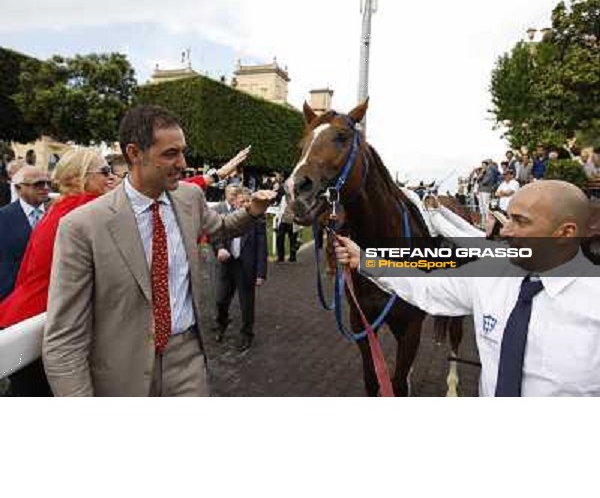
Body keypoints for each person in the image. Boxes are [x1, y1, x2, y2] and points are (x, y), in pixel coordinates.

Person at [42, 105, 275, 396]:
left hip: (187, 360)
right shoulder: (82, 226)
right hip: (120, 373)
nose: (183, 163)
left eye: (182, 151)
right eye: (170, 154)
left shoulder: (190, 197)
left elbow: (222, 227)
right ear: (134, 153)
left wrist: (253, 210)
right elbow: (64, 339)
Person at [335, 180, 600, 397]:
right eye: (507, 218)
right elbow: (426, 286)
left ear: (565, 233)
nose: (505, 231)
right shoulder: (491, 272)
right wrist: (366, 261)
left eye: (521, 221)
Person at [0, 150, 115, 396]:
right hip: (38, 325)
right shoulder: (84, 209)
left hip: (27, 318)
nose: (111, 177)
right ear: (80, 177)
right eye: (104, 172)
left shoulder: (61, 207)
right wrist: (208, 179)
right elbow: (143, 195)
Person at [213, 187, 268, 352]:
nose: (245, 204)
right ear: (235, 202)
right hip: (228, 264)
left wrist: (261, 273)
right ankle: (221, 324)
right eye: (242, 201)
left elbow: (262, 247)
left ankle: (247, 334)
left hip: (246, 267)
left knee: (247, 304)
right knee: (221, 300)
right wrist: (220, 248)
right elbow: (216, 235)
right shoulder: (227, 218)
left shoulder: (257, 220)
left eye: (247, 201)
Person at [0, 166, 50, 301]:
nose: (45, 188)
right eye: (38, 184)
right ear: (18, 188)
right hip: (11, 296)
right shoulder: (3, 217)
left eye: (48, 183)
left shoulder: (56, 214)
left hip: (47, 294)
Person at [275, 194, 299, 262]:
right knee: (279, 239)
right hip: (283, 221)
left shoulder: (297, 198)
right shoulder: (283, 197)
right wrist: (277, 218)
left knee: (293, 240)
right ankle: (280, 257)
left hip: (293, 222)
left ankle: (292, 257)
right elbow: (280, 208)